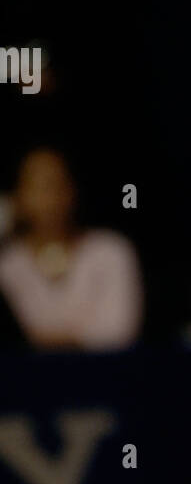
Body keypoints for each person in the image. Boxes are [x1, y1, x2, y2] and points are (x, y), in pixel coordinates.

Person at [0, 145, 144, 351]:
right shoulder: (7, 263)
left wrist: (47, 343)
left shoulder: (110, 250)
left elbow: (117, 332)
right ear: (17, 196)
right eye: (37, 187)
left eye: (56, 185)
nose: (49, 200)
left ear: (73, 190)